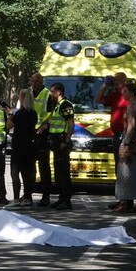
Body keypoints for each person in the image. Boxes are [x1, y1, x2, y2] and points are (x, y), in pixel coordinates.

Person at [113, 81, 136, 213]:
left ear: (131, 93)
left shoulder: (131, 107)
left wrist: (124, 143)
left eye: (125, 91)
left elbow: (131, 127)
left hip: (130, 143)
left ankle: (124, 202)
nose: (123, 94)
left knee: (124, 173)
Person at [98, 72, 129, 209]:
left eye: (117, 82)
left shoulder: (129, 96)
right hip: (117, 135)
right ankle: (122, 199)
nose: (115, 84)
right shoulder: (115, 94)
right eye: (114, 82)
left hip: (125, 135)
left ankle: (126, 201)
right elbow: (98, 100)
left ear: (124, 81)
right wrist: (104, 85)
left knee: (125, 169)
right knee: (119, 169)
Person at [48, 82, 76, 210]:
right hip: (56, 141)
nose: (51, 93)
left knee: (64, 172)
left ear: (59, 92)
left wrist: (66, 141)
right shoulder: (57, 105)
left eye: (52, 91)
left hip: (61, 141)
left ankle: (66, 200)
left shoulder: (65, 104)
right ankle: (61, 198)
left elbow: (71, 124)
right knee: (58, 172)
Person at [27, 72, 52, 205]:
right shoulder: (28, 92)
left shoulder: (47, 94)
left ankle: (46, 196)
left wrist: (43, 126)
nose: (34, 84)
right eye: (32, 81)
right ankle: (28, 196)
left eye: (37, 81)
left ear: (41, 81)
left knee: (44, 166)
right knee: (29, 166)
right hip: (29, 133)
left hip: (42, 133)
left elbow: (51, 113)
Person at [11, 89, 38, 205]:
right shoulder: (33, 113)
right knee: (27, 173)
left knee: (15, 173)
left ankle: (16, 199)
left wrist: (9, 114)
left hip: (18, 147)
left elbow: (10, 125)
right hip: (30, 146)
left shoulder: (20, 113)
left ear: (23, 98)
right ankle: (27, 197)